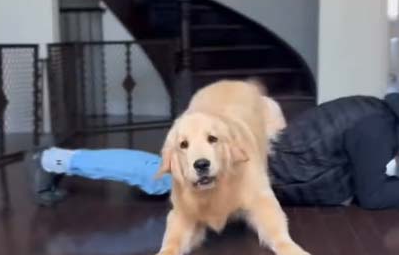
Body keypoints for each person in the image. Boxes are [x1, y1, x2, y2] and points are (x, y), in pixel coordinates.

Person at [26, 93, 399, 210]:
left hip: (261, 157)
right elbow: (374, 195)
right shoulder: (375, 126)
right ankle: (53, 159)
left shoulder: (374, 112)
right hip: (249, 165)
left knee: (157, 175)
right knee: (157, 176)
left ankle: (57, 159)